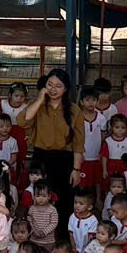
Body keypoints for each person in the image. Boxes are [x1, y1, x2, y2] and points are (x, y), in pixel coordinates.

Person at [23, 70, 76, 203]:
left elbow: (79, 144)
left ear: (65, 89)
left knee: (62, 198)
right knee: (39, 197)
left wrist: (76, 169)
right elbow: (24, 120)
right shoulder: (35, 105)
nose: (53, 89)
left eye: (58, 86)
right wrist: (40, 99)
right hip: (41, 157)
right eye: (50, 85)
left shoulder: (74, 110)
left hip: (64, 158)